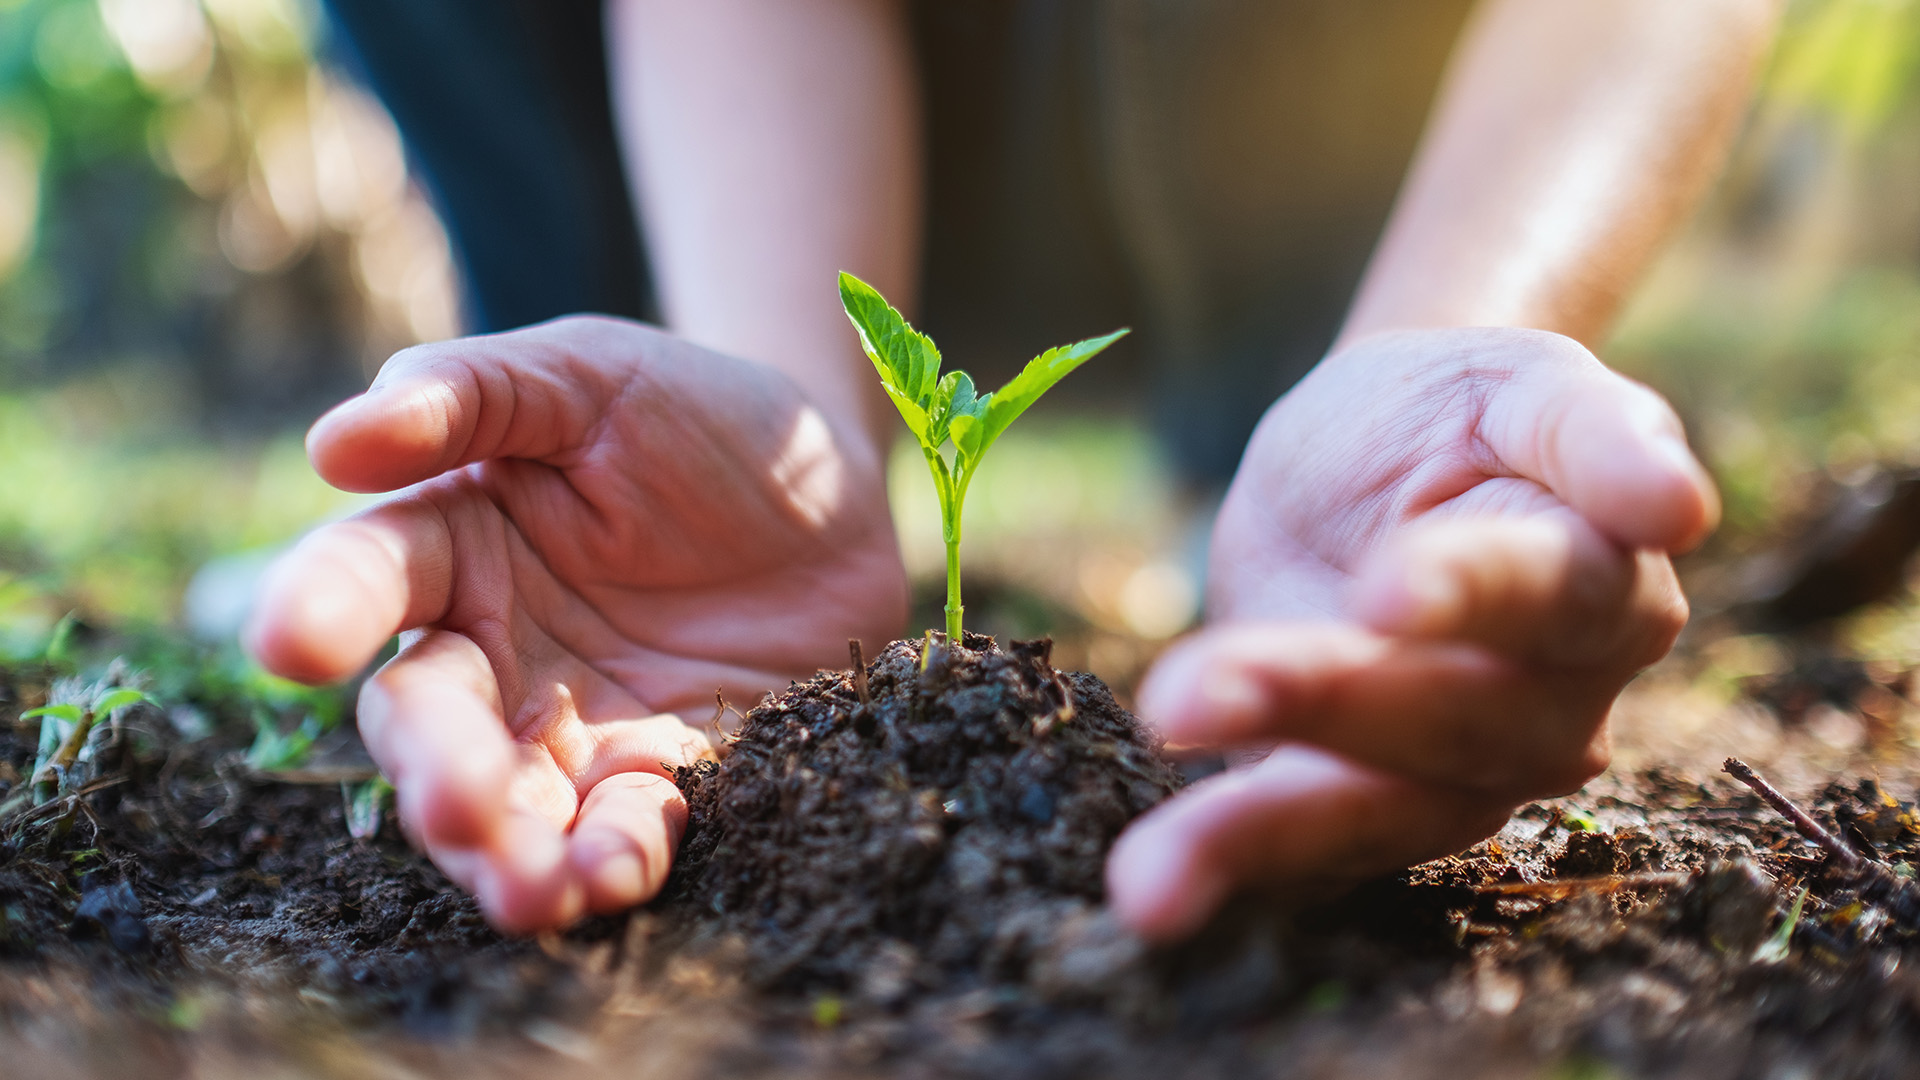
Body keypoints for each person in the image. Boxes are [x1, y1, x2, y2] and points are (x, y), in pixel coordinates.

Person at [245, 0, 1775, 936]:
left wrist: (1452, 332)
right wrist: (791, 408)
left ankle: (1295, 434)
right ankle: (595, 470)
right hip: (834, 140)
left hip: (1331, 140)